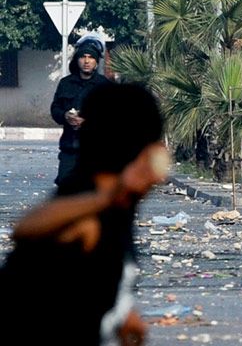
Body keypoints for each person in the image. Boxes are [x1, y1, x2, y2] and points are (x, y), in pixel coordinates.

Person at [0, 84, 168, 345]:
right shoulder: (91, 206)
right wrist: (109, 197)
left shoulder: (116, 205)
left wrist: (123, 313)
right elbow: (27, 227)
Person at [50, 35, 111, 187]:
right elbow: (55, 109)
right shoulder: (65, 83)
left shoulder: (104, 85)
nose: (86, 61)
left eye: (90, 57)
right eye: (83, 57)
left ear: (96, 61)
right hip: (70, 147)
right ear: (77, 60)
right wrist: (66, 116)